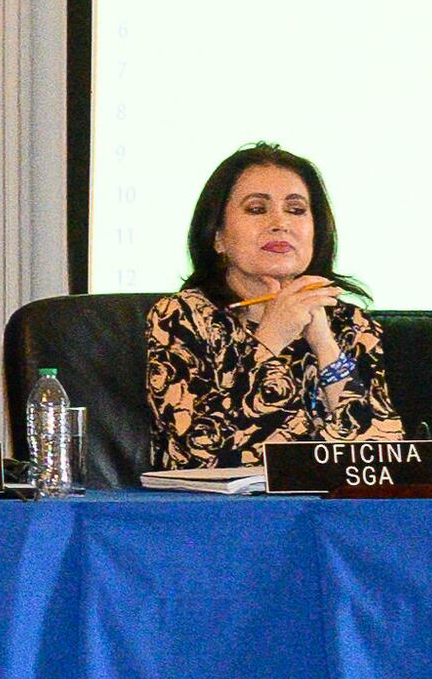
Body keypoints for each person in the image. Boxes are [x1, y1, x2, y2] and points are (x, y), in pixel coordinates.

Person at [147, 143, 401, 467]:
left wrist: (324, 345)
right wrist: (271, 337)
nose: (280, 223)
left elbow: (387, 458)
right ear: (218, 237)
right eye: (256, 209)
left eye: (296, 210)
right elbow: (194, 455)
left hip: (327, 515)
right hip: (222, 516)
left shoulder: (350, 324)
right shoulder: (180, 318)